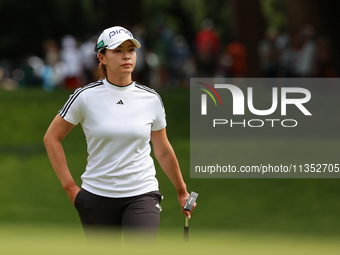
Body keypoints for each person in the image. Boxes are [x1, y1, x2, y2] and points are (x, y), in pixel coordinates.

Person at [43, 26, 196, 240]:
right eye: (117, 51)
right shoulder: (85, 96)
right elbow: (51, 138)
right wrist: (70, 188)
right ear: (102, 57)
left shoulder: (151, 99)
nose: (126, 56)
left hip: (142, 193)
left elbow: (162, 149)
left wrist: (182, 190)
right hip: (96, 195)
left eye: (130, 50)